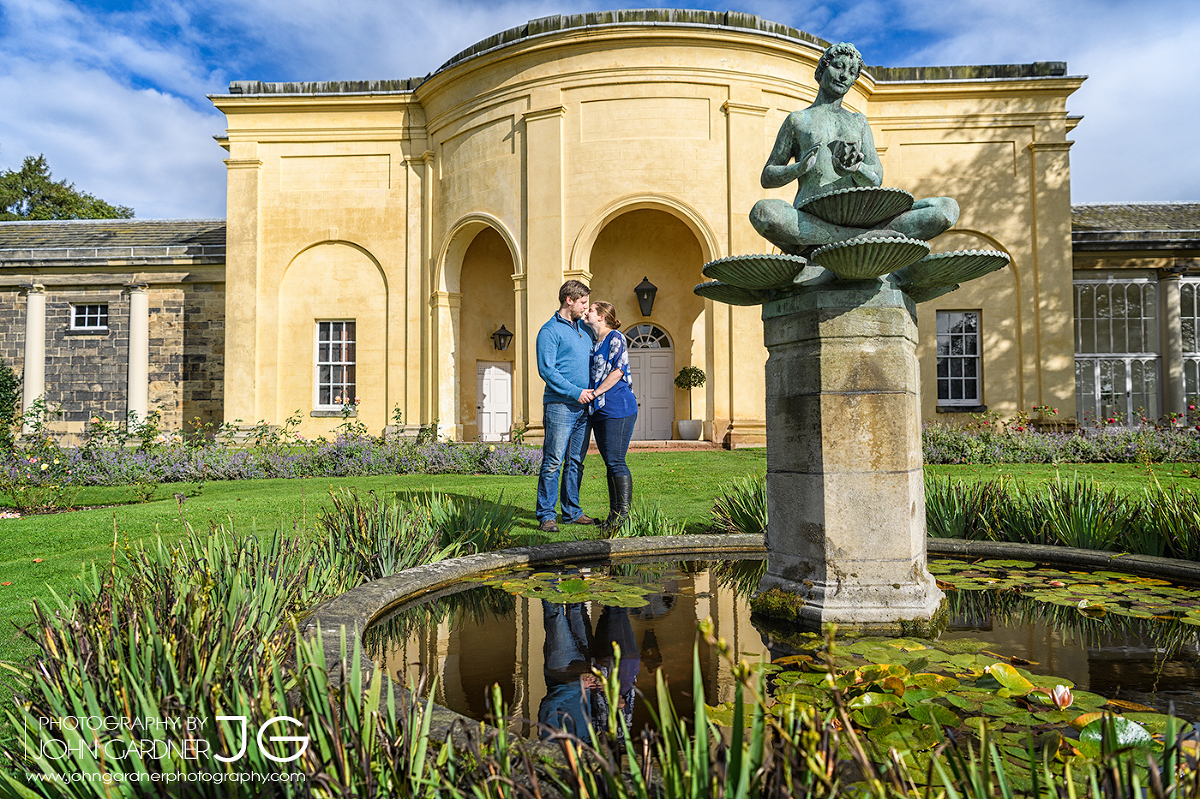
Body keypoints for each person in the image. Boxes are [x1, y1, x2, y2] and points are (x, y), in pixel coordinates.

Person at [749, 42, 958, 256]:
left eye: (851, 72)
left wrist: (857, 168)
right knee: (763, 212)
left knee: (945, 209)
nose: (843, 76)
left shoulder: (858, 122)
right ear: (822, 69)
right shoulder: (798, 120)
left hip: (862, 215)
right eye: (838, 67)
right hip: (812, 216)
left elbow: (876, 178)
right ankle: (860, 239)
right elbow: (768, 176)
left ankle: (852, 236)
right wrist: (798, 169)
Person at [535, 280, 596, 533]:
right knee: (553, 461)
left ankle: (571, 512)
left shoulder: (585, 329)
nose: (585, 307)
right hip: (560, 405)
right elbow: (547, 371)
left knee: (576, 462)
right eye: (583, 302)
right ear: (569, 300)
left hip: (584, 408)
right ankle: (547, 515)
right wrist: (576, 392)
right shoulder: (549, 331)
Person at [582, 301, 638, 532]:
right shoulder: (595, 343)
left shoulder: (616, 337)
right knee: (610, 463)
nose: (587, 312)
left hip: (618, 407)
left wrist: (595, 393)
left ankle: (623, 516)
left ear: (602, 316)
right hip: (600, 409)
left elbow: (618, 371)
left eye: (591, 310)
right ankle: (613, 515)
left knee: (616, 460)